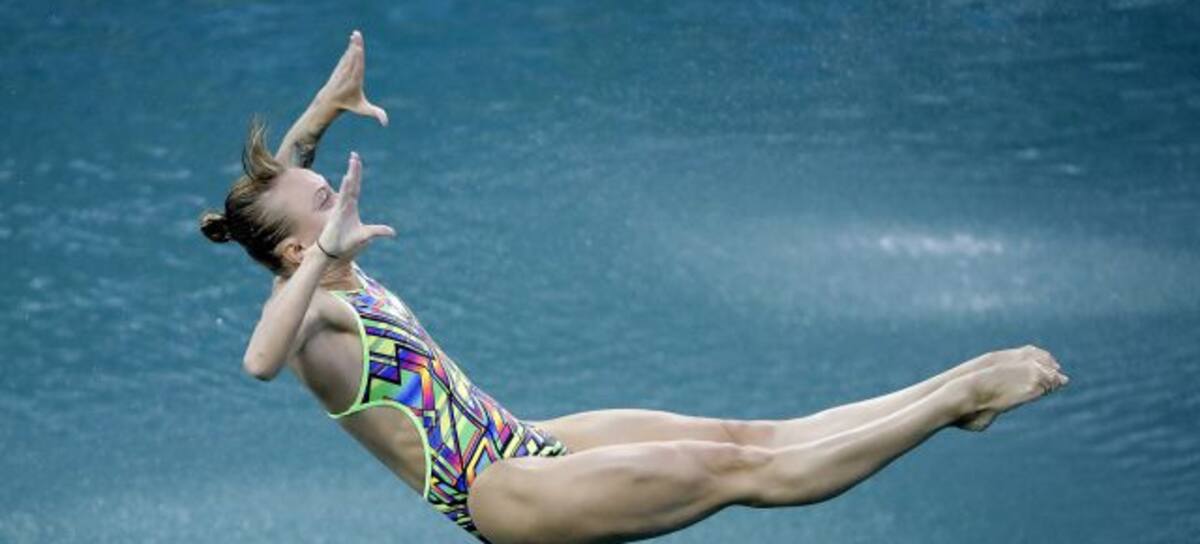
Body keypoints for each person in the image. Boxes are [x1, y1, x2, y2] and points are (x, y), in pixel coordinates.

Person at [198, 30, 1071, 544]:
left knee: (741, 434)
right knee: (738, 472)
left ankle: (951, 388)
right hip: (498, 494)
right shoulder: (313, 307)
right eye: (325, 202)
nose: (340, 198)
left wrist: (325, 106)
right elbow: (257, 362)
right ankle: (958, 399)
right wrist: (325, 247)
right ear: (295, 249)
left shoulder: (315, 255)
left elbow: (292, 176)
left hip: (524, 442)